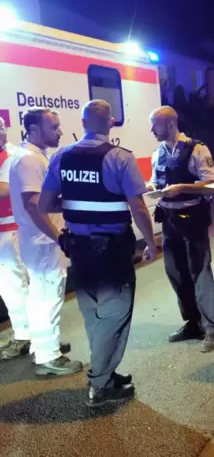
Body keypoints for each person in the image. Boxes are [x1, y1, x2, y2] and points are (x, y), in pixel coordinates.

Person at [38, 100, 158, 407]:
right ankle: (100, 384)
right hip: (112, 251)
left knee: (94, 315)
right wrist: (151, 243)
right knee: (115, 315)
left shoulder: (62, 156)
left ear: (83, 121)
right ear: (110, 122)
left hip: (79, 251)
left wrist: (78, 205)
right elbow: (139, 208)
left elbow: (45, 204)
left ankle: (108, 372)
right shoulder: (120, 157)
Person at [5, 110, 82, 376]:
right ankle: (48, 357)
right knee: (47, 297)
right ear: (34, 129)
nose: (60, 131)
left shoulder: (32, 157)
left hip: (37, 241)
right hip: (42, 242)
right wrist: (58, 236)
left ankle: (43, 345)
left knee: (41, 295)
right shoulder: (29, 160)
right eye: (54, 126)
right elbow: (33, 204)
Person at [146, 106, 214, 352]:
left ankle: (212, 328)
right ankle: (193, 323)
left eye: (154, 125)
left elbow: (212, 184)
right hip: (169, 220)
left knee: (200, 273)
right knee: (176, 273)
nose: (151, 130)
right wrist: (151, 185)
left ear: (169, 124)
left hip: (193, 220)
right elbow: (157, 180)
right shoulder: (157, 154)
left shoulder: (197, 148)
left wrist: (182, 188)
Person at [0, 119, 32, 361]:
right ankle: (31, 334)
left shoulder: (10, 155)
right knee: (11, 285)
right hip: (6, 230)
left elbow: (4, 187)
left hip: (10, 230)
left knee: (14, 285)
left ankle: (24, 336)